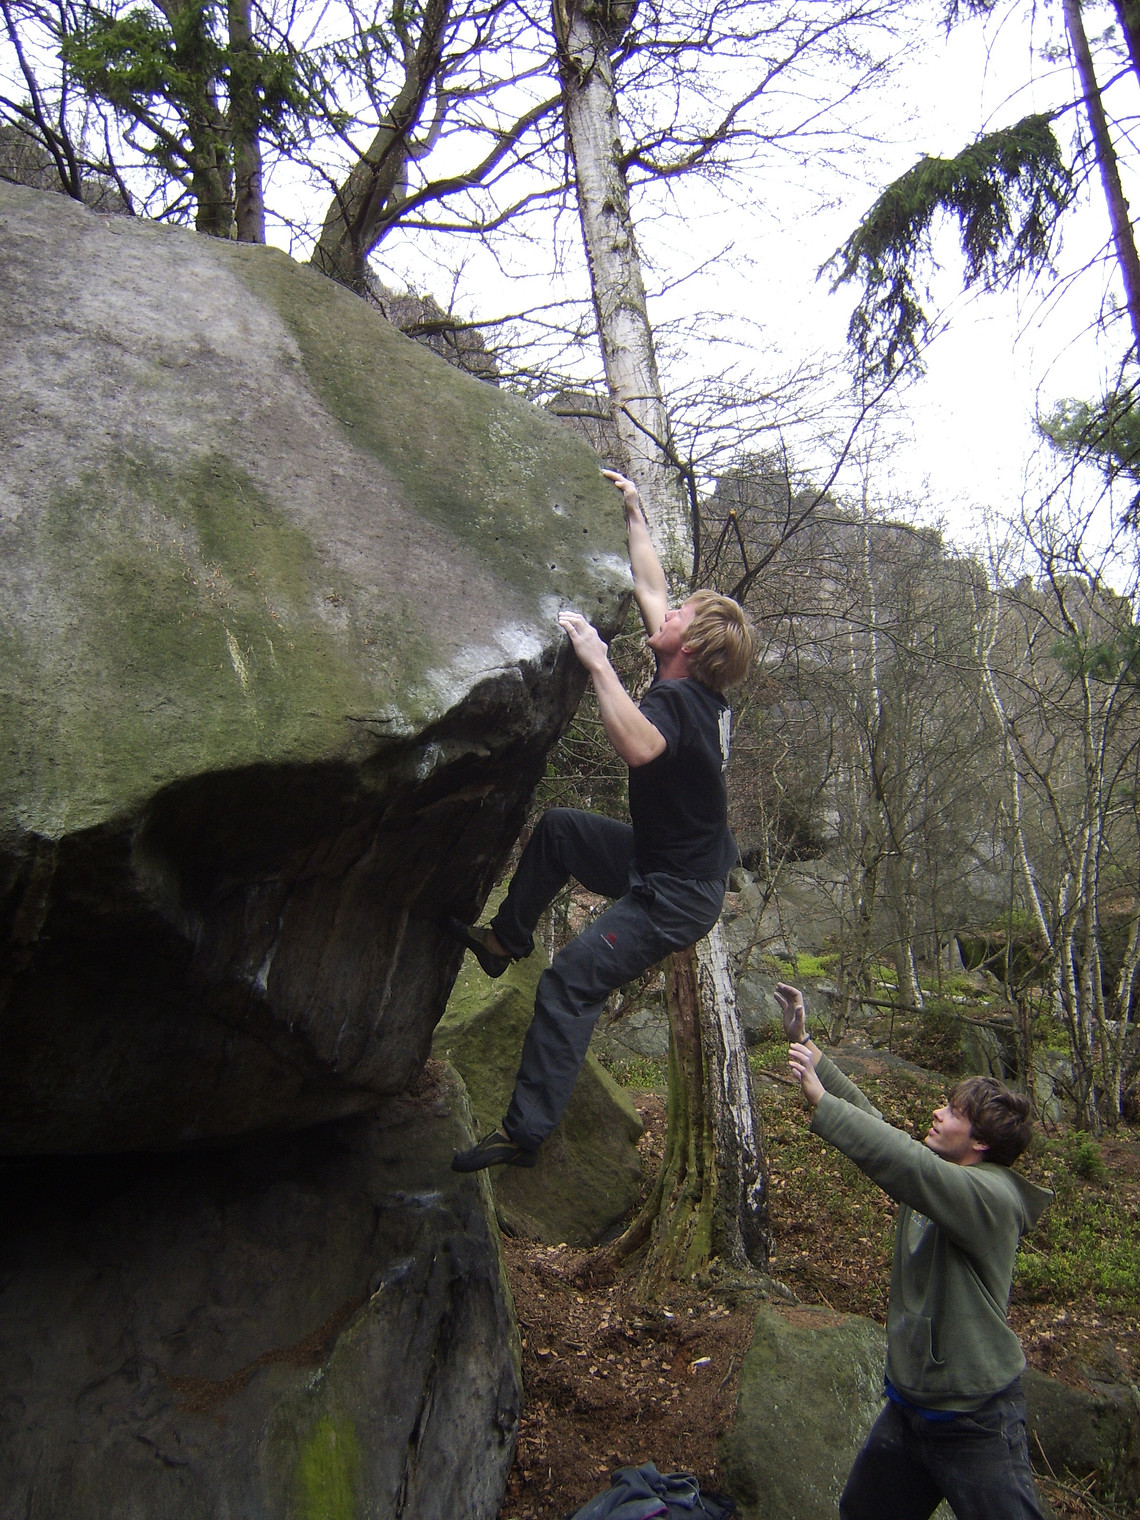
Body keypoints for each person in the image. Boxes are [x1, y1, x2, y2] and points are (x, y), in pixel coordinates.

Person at [446, 469, 754, 1172]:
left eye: (679, 618)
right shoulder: (686, 678)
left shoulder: (681, 708)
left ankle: (524, 1134)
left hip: (676, 896)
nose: (664, 615)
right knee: (560, 830)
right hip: (661, 859)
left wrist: (597, 663)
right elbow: (651, 586)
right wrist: (635, 511)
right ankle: (502, 942)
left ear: (689, 647)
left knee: (571, 981)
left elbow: (638, 746)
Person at [776, 981, 1052, 1520]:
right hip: (910, 1408)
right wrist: (808, 1047)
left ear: (980, 1141)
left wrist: (820, 1100)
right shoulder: (942, 1173)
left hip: (976, 1421)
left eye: (953, 1111)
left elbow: (906, 1162)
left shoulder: (990, 1197)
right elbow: (880, 1129)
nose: (938, 1113)